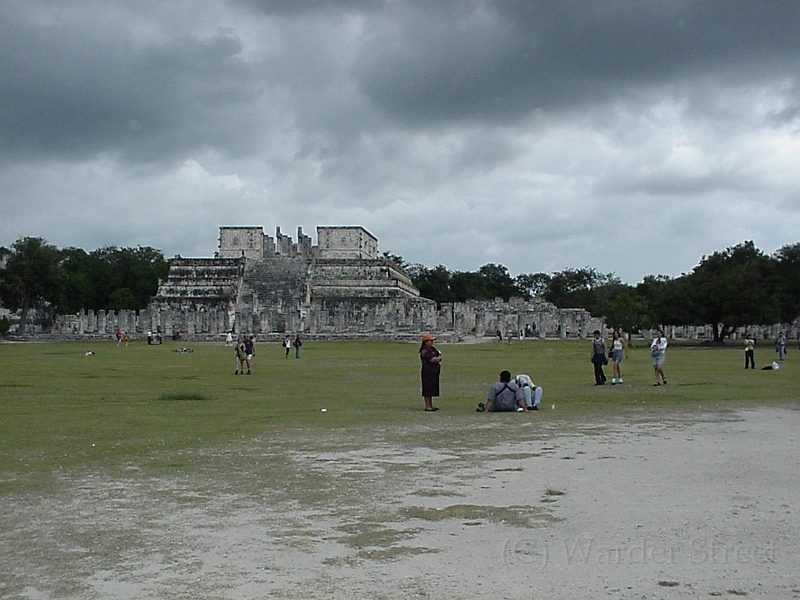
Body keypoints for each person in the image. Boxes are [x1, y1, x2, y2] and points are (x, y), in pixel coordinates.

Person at [419, 333, 442, 411]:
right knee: (427, 389)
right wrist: (437, 358)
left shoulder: (433, 349)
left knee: (432, 389)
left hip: (434, 372)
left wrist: (438, 358)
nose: (432, 342)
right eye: (430, 341)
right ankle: (428, 406)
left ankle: (431, 405)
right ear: (426, 342)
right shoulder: (424, 351)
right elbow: (432, 359)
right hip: (427, 372)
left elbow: (439, 356)